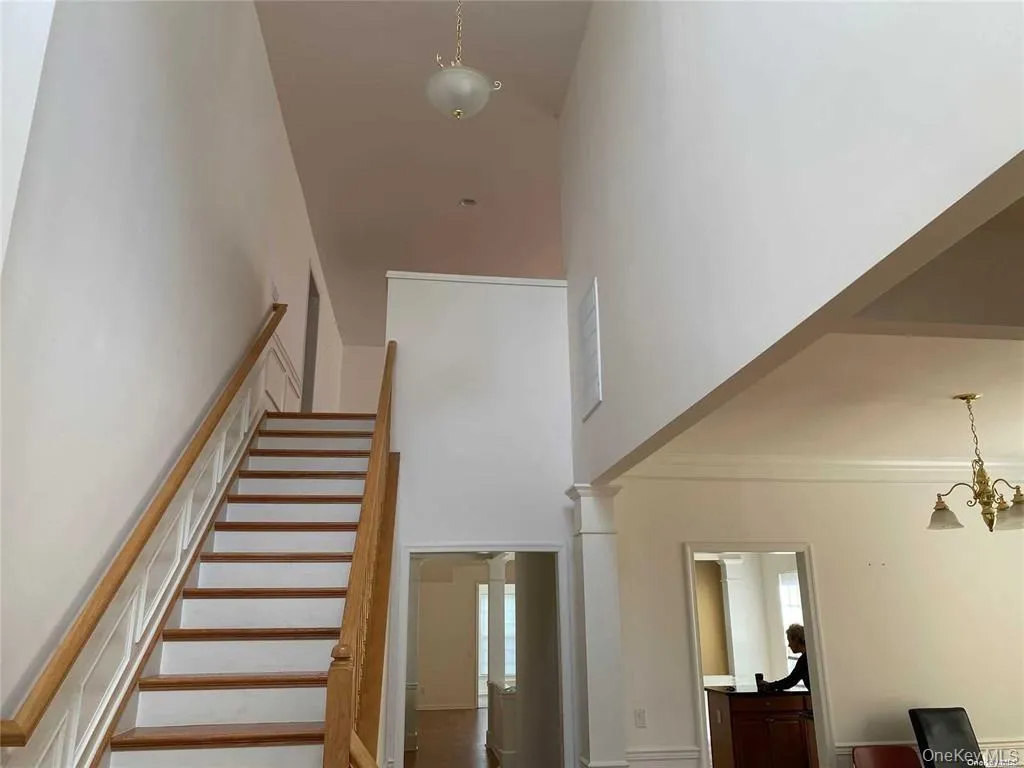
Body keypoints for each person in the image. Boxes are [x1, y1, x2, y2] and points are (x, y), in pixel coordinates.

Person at [760, 624, 810, 691]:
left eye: (789, 640)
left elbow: (789, 681)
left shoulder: (804, 660)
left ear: (795, 639)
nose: (789, 645)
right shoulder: (808, 657)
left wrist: (769, 685)